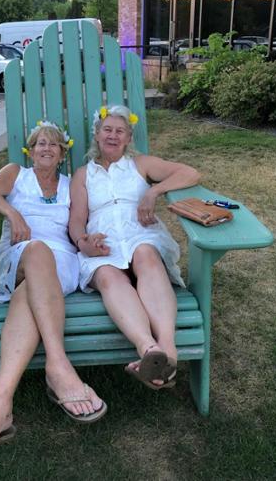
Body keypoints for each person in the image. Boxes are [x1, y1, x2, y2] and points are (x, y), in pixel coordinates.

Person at [0, 121, 107, 459]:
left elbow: (77, 226)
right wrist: (12, 213)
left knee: (34, 280)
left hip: (61, 267)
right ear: (31, 151)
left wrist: (84, 242)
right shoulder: (16, 174)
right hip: (17, 256)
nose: (46, 148)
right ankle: (58, 366)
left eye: (54, 145)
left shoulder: (69, 184)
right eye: (40, 143)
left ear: (62, 155)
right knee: (37, 250)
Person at [69, 105, 200, 390]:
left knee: (146, 256)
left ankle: (168, 348)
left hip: (139, 231)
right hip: (103, 242)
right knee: (106, 275)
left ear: (129, 137)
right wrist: (84, 243)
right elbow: (77, 220)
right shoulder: (83, 174)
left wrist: (153, 191)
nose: (113, 136)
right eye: (107, 130)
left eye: (120, 131)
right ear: (97, 134)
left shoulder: (141, 164)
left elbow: (189, 173)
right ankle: (149, 349)